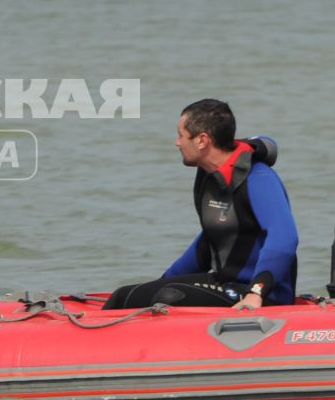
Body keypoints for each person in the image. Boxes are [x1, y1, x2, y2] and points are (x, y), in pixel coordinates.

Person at [104, 98, 298, 311]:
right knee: (124, 296)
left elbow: (284, 239)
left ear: (202, 140)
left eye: (181, 135)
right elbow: (210, 240)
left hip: (262, 294)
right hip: (224, 283)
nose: (177, 142)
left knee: (169, 297)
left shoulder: (258, 178)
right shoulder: (209, 177)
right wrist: (161, 281)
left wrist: (256, 293)